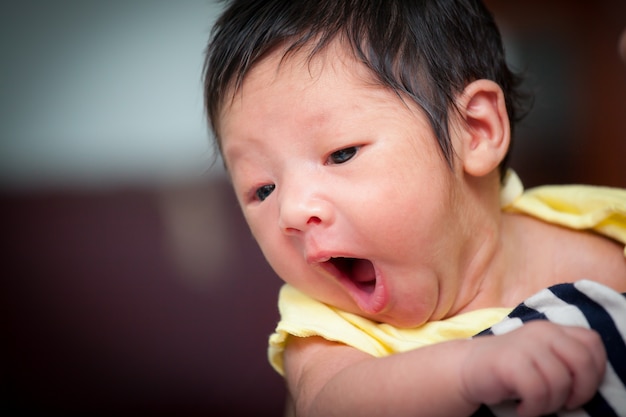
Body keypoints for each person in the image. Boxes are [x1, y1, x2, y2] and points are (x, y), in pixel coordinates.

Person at [202, 0, 626, 416]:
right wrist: (466, 370)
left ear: (474, 130)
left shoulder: (597, 224)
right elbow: (325, 403)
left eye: (342, 153)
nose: (291, 211)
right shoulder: (328, 329)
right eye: (262, 189)